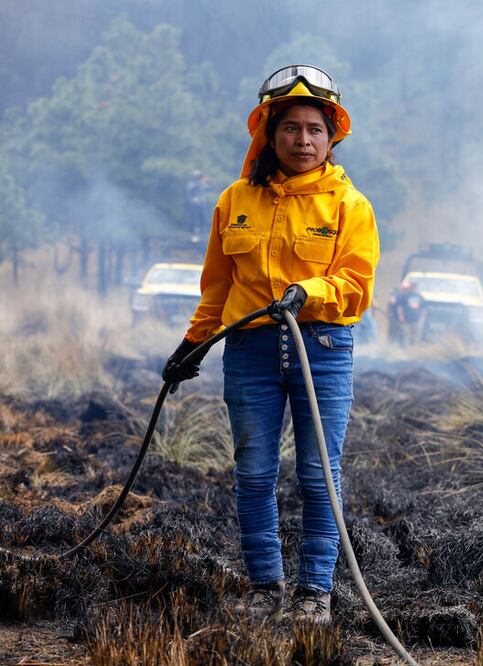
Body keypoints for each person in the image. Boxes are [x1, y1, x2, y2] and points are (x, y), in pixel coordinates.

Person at [161, 65, 378, 624]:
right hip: (251, 351)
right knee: (253, 471)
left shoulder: (348, 207)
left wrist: (309, 290)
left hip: (322, 350)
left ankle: (314, 593)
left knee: (317, 473)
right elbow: (218, 285)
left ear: (331, 138)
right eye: (290, 128)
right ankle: (265, 587)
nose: (302, 141)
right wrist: (193, 343)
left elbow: (355, 288)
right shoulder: (235, 199)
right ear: (268, 132)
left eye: (313, 130)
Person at [388, 280, 424, 346]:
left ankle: (412, 348)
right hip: (401, 319)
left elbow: (423, 307)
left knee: (414, 335)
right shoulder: (401, 295)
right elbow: (398, 306)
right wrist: (401, 317)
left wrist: (421, 317)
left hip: (415, 319)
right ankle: (397, 347)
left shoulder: (419, 296)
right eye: (404, 288)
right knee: (402, 335)